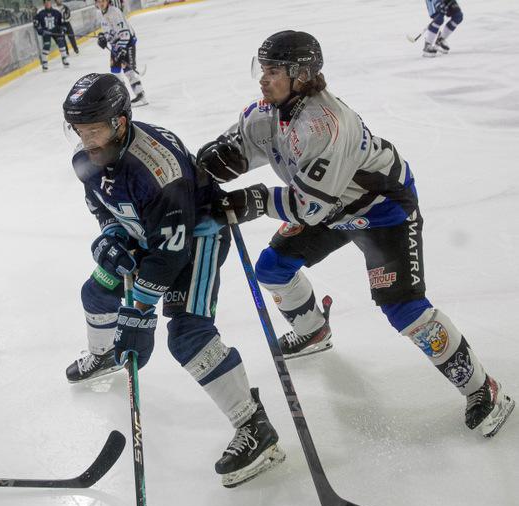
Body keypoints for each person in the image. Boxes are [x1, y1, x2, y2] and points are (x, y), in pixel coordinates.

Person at [195, 31, 514, 437]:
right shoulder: (265, 112)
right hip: (330, 206)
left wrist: (252, 200)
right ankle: (313, 330)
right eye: (263, 68)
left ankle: (483, 388)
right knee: (273, 268)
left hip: (381, 211)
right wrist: (217, 162)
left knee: (402, 307)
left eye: (273, 70)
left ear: (301, 74)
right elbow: (240, 146)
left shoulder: (327, 124)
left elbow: (309, 208)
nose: (263, 77)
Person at [62, 73, 286, 487]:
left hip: (196, 237)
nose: (85, 140)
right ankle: (104, 355)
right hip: (149, 233)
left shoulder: (157, 169)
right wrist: (112, 236)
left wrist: (139, 311)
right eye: (79, 130)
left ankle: (255, 426)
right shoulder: (87, 157)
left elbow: (171, 253)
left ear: (120, 123)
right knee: (96, 292)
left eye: (93, 130)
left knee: (187, 334)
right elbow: (104, 207)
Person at [95, 0, 144, 104]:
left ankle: (140, 95)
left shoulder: (114, 12)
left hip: (127, 43)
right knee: (115, 72)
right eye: (99, 1)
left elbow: (125, 34)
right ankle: (122, 98)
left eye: (103, 1)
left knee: (128, 71)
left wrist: (122, 49)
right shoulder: (100, 13)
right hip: (116, 45)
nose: (101, 3)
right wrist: (103, 37)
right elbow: (109, 31)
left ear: (108, 1)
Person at [34, 0, 68, 71]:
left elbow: (61, 22)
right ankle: (44, 63)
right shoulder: (40, 12)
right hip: (46, 32)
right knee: (46, 46)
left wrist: (63, 28)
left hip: (56, 31)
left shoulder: (56, 11)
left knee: (61, 43)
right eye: (46, 3)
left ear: (51, 3)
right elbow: (36, 23)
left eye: (49, 2)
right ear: (44, 4)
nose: (47, 4)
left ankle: (64, 59)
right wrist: (41, 31)